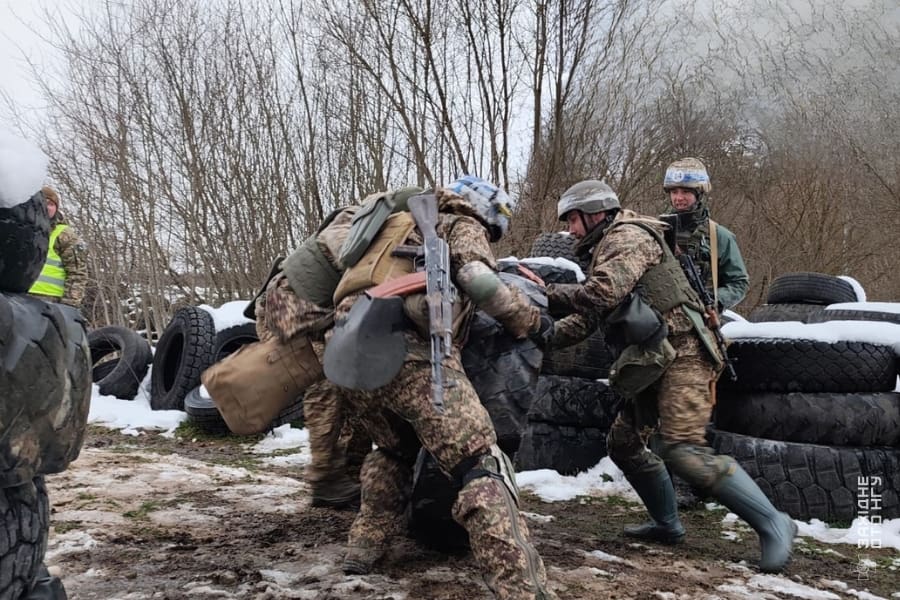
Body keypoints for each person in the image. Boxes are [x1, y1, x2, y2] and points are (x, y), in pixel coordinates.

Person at [546, 179, 796, 574]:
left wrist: (543, 292)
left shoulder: (628, 236)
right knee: (624, 443)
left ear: (595, 214)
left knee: (682, 448)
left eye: (573, 220)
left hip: (687, 351)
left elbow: (602, 293)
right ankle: (667, 525)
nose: (570, 230)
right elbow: (588, 318)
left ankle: (773, 522)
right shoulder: (607, 249)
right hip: (655, 356)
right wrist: (537, 332)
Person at [325, 176, 556, 599]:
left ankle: (364, 547)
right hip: (407, 352)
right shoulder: (458, 222)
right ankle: (524, 590)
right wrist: (532, 321)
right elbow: (480, 282)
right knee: (481, 464)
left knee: (393, 449)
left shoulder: (392, 224)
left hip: (346, 354)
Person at [662, 158, 749, 311]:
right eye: (674, 192)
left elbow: (739, 282)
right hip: (659, 315)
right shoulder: (657, 231)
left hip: (701, 316)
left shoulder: (719, 236)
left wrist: (713, 300)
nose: (679, 198)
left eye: (686, 192)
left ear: (699, 194)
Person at [28, 186, 88, 308]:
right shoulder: (23, 230)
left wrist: (69, 306)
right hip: (19, 298)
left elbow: (77, 273)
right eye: (43, 202)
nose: (47, 207)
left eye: (51, 204)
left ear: (56, 208)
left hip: (51, 301)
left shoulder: (64, 235)